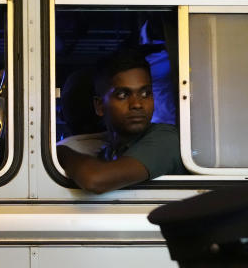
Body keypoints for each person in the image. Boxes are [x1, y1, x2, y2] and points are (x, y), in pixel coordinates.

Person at [57, 49, 183, 193]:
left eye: (145, 93)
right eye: (122, 95)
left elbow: (95, 180)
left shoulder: (166, 139)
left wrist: (60, 152)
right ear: (99, 106)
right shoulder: (109, 150)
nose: (137, 104)